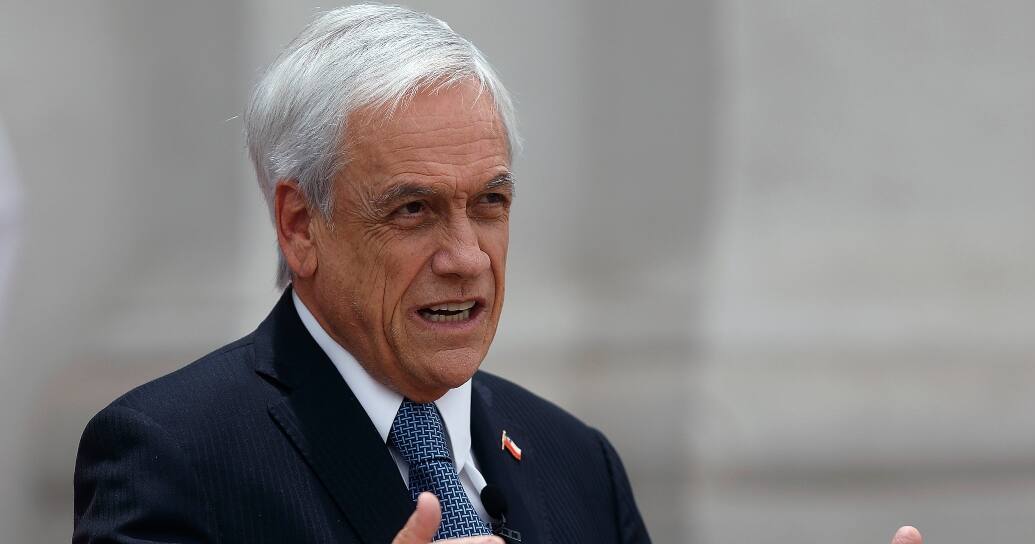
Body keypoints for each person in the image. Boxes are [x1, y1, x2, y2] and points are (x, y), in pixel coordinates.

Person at [73, 6, 648, 543]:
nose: (467, 258)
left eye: (489, 203)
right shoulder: (169, 455)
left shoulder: (581, 464)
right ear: (300, 226)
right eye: (413, 209)